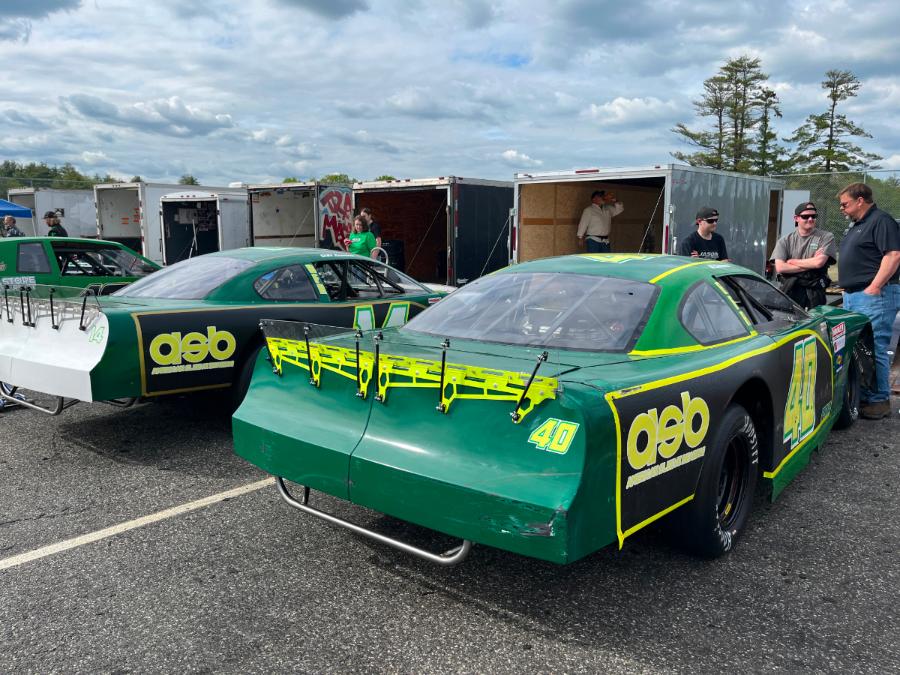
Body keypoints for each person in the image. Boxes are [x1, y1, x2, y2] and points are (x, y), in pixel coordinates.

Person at [836, 182, 900, 420]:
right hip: (856, 295)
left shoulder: (881, 221)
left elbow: (893, 255)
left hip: (874, 296)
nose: (842, 208)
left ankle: (879, 400)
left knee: (874, 346)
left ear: (860, 200)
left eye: (845, 204)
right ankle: (865, 395)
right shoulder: (858, 225)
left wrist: (874, 287)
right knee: (860, 348)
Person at [771, 201, 836, 309]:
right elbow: (781, 267)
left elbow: (819, 263)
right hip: (791, 290)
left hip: (815, 292)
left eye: (813, 216)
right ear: (796, 218)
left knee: (815, 319)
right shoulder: (785, 240)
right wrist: (811, 263)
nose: (810, 219)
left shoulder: (826, 237)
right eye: (805, 216)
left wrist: (792, 262)